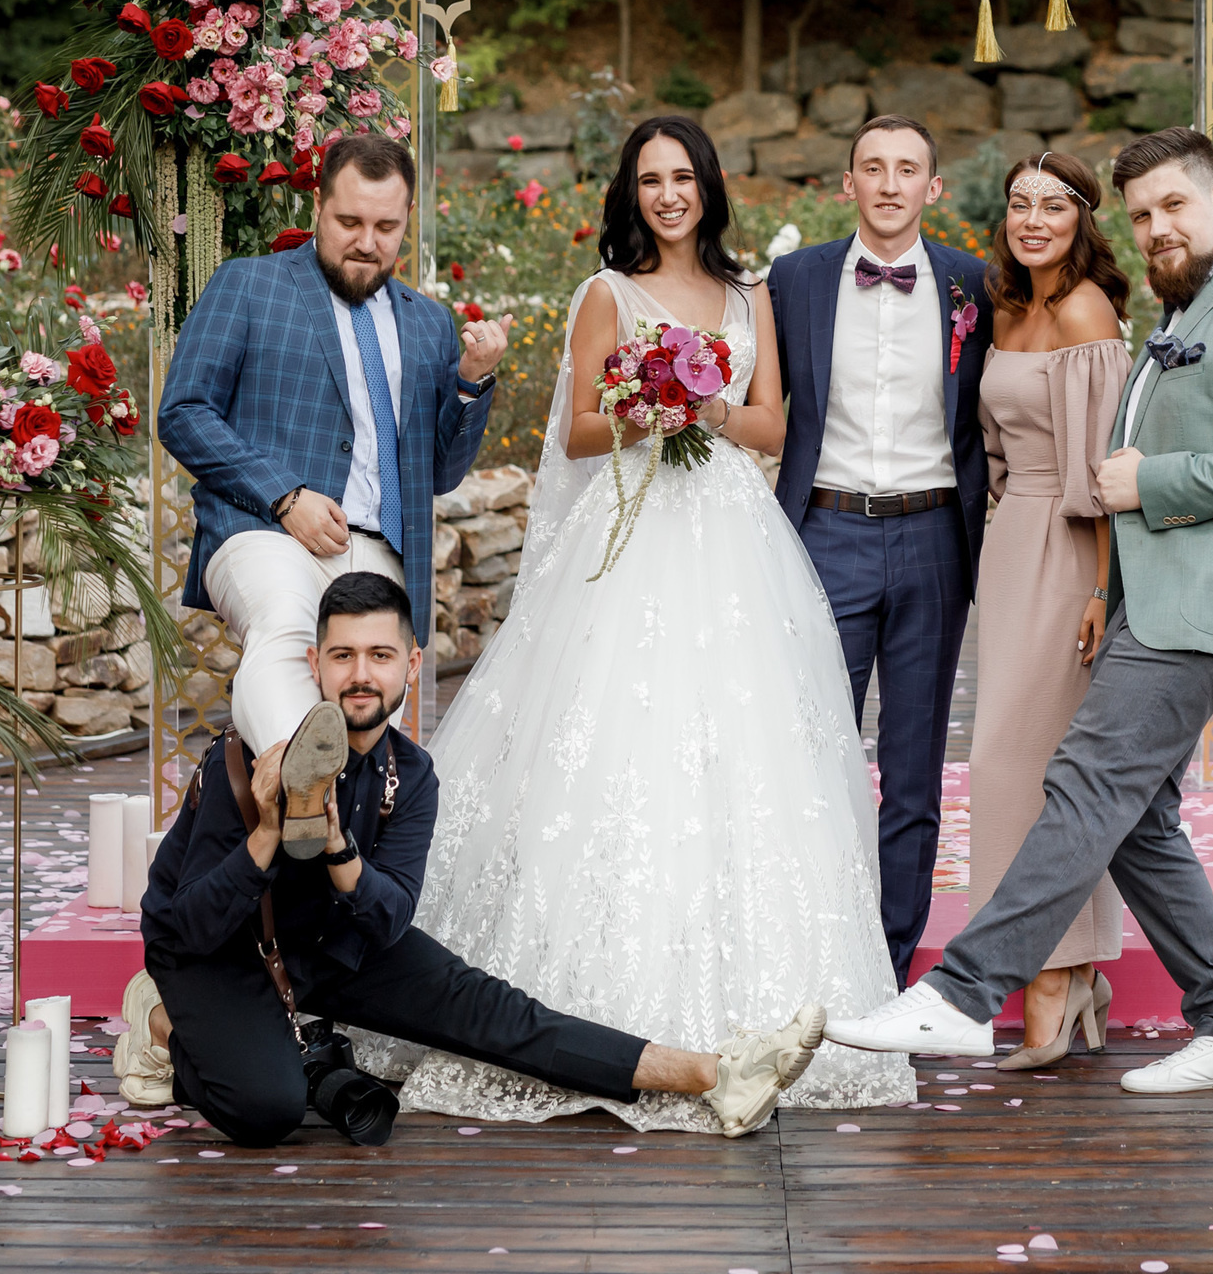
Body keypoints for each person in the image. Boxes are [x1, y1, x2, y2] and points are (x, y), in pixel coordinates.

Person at [368, 115, 913, 1130]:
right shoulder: (604, 294)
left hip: (732, 539)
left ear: (708, 184)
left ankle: (766, 1015)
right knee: (616, 738)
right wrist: (642, 400)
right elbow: (576, 426)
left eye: (684, 176)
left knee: (746, 751)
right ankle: (589, 1017)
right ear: (633, 192)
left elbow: (770, 423)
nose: (669, 193)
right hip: (630, 530)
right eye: (651, 179)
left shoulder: (752, 295)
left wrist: (700, 405)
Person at [828, 127, 1213, 1094]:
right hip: (1157, 588)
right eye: (1144, 216)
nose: (1159, 228)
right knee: (1135, 817)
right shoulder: (1193, 307)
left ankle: (966, 993)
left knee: (1087, 777)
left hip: (1203, 601)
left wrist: (1150, 481)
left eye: (1176, 206)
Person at [115, 573, 825, 1142]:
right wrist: (267, 833)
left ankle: (713, 1074)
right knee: (270, 1109)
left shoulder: (410, 775)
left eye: (380, 656)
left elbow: (389, 918)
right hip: (223, 954)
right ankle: (161, 1021)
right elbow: (183, 930)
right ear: (316, 665)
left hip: (337, 947)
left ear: (411, 666)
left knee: (502, 1014)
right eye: (343, 656)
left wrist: (337, 846)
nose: (361, 675)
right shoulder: (241, 766)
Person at [158, 132, 506, 855]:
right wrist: (285, 494)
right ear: (318, 207)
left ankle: (333, 855)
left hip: (376, 550)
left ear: (407, 221)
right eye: (350, 223)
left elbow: (440, 471)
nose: (366, 243)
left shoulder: (429, 323)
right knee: (288, 630)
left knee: (373, 679)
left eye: (386, 228)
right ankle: (301, 784)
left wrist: (472, 381)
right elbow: (183, 411)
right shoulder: (248, 285)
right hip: (263, 531)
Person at [764, 115, 993, 983]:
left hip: (937, 535)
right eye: (873, 167)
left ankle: (889, 967)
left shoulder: (977, 287)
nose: (890, 183)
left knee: (915, 765)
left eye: (908, 170)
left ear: (934, 188)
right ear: (847, 183)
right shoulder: (794, 280)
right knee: (814, 750)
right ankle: (811, 951)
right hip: (825, 532)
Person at [969, 151, 1132, 1069]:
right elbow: (996, 445)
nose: (1034, 219)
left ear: (1081, 220)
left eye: (1053, 207)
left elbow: (1106, 472)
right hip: (1011, 541)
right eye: (1019, 204)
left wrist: (1105, 588)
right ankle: (1066, 973)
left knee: (1024, 768)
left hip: (1075, 549)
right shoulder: (1007, 308)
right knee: (1010, 762)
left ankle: (1055, 976)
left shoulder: (1083, 312)